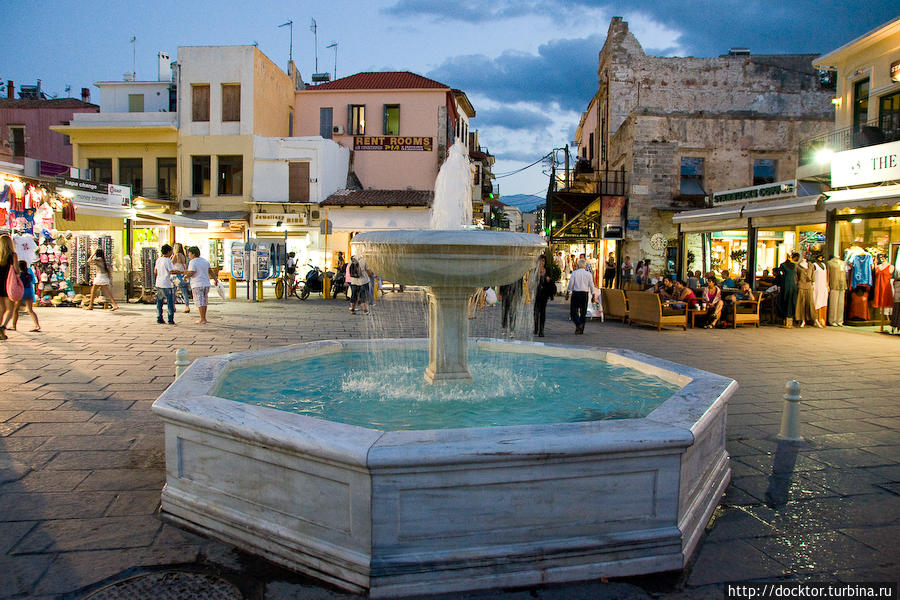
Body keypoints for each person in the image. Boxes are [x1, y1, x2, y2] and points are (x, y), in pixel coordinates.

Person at [184, 246, 218, 325]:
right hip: (206, 283)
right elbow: (211, 271)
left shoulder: (193, 262)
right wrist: (216, 280)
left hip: (197, 284)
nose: (188, 255)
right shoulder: (205, 261)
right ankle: (204, 317)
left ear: (193, 253)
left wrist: (185, 276)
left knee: (199, 301)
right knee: (204, 301)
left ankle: (202, 319)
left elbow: (191, 272)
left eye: (189, 253)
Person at [565, 258, 597, 334]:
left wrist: (568, 292)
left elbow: (571, 284)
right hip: (584, 294)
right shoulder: (588, 274)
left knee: (573, 312)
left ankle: (578, 324)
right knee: (583, 312)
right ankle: (581, 328)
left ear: (578, 265)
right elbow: (592, 285)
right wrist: (593, 294)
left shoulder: (575, 273)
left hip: (576, 293)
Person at [11, 260, 40, 332]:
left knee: (16, 309)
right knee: (30, 310)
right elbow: (33, 281)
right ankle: (37, 325)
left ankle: (14, 325)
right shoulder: (29, 275)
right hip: (29, 292)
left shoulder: (18, 275)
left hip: (21, 292)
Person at [154, 244, 180, 325]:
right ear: (168, 252)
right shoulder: (168, 260)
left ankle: (159, 318)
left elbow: (155, 271)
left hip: (159, 282)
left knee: (159, 302)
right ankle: (170, 319)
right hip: (166, 283)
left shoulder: (159, 260)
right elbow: (171, 271)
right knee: (170, 302)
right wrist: (180, 272)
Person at [0, 234, 19, 340]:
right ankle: (2, 327)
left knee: (1, 309)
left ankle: (0, 332)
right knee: (10, 309)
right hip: (8, 285)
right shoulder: (12, 255)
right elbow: (16, 270)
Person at [533, 255, 556, 337]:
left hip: (544, 294)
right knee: (535, 312)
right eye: (540, 261)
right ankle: (535, 328)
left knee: (542, 312)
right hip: (536, 294)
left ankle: (541, 330)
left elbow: (552, 282)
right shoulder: (534, 270)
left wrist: (549, 280)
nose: (542, 262)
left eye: (543, 261)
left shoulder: (547, 271)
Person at [775, 253, 799, 328]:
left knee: (788, 301)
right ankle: (788, 320)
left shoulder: (785, 265)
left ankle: (788, 320)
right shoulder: (791, 266)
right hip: (790, 285)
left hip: (787, 285)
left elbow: (779, 275)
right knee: (788, 301)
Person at [171, 243, 191, 313]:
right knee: (184, 291)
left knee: (173, 291)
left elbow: (171, 264)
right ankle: (187, 306)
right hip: (182, 275)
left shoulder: (176, 255)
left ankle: (173, 306)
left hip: (176, 276)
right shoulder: (184, 256)